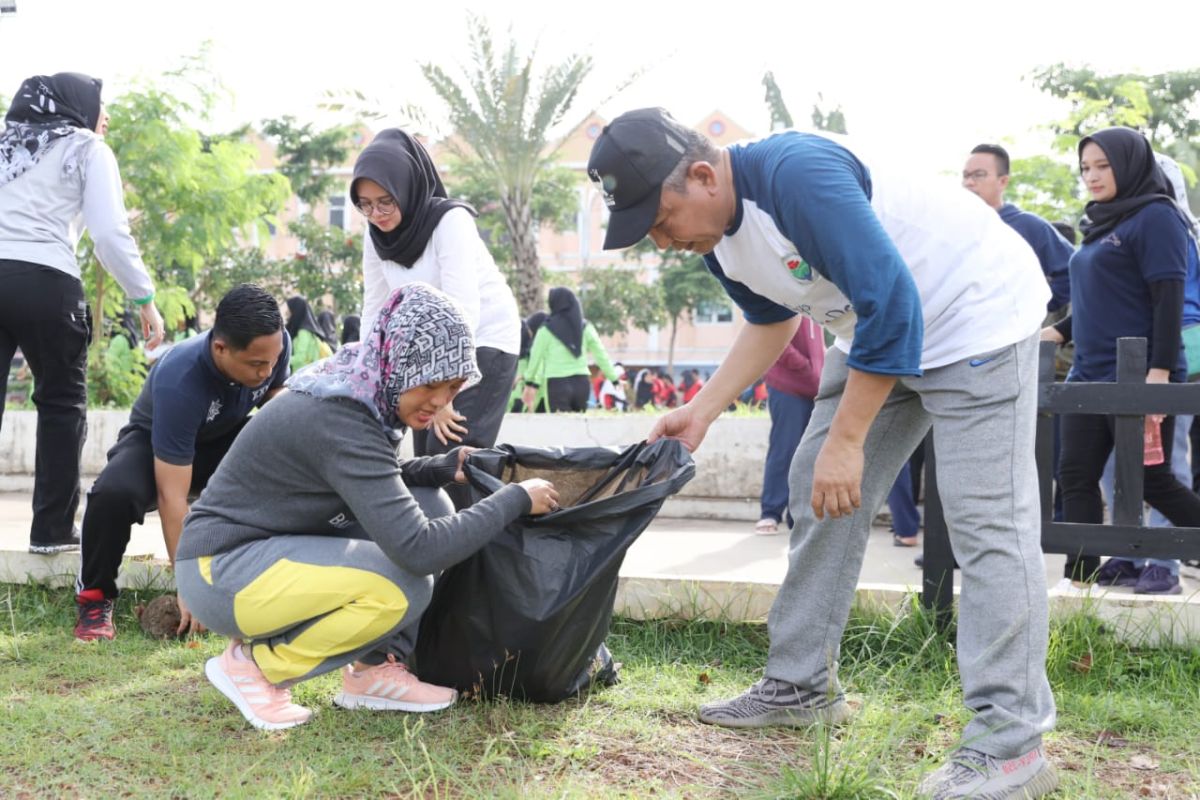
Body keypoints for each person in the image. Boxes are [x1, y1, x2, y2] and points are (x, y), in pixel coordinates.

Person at [588, 108, 1058, 799]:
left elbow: (894, 299)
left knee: (987, 525)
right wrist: (703, 410)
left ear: (700, 174)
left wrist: (849, 440)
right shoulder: (718, 238)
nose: (661, 242)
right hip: (882, 332)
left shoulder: (795, 175)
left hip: (974, 316)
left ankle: (1011, 744)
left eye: (659, 220)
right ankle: (801, 683)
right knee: (814, 478)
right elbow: (771, 322)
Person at [176, 284, 559, 731]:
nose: (439, 401)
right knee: (404, 584)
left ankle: (372, 671)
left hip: (268, 550)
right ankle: (255, 667)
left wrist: (438, 467)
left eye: (452, 385)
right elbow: (419, 550)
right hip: (220, 570)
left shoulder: (361, 389)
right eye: (429, 382)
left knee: (428, 502)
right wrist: (513, 499)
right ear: (398, 364)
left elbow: (368, 478)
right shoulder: (342, 417)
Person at [0, 72, 166, 555]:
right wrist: (144, 298)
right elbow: (109, 234)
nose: (106, 116)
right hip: (47, 281)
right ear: (77, 106)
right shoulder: (86, 147)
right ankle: (51, 533)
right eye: (101, 104)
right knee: (61, 405)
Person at [73, 284, 290, 642]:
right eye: (257, 364)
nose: (267, 370)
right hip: (154, 441)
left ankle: (261, 580)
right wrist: (187, 587)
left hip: (223, 437)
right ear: (220, 348)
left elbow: (275, 394)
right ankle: (95, 599)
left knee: (288, 455)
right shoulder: (181, 379)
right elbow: (171, 497)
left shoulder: (272, 345)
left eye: (273, 360)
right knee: (113, 495)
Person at [1044, 128, 1200, 596]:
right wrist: (1058, 330)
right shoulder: (1100, 223)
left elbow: (1167, 298)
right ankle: (1082, 580)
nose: (1091, 176)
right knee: (1074, 476)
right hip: (1086, 373)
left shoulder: (1156, 216)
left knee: (1150, 480)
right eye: (1085, 167)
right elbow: (1103, 295)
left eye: (1103, 166)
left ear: (1130, 164)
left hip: (1137, 373)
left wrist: (1157, 377)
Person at [354, 128, 520, 505]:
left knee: (458, 464)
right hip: (427, 358)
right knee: (427, 464)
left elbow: (464, 308)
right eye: (364, 204)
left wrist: (446, 394)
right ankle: (435, 559)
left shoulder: (450, 221)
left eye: (385, 202)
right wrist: (364, 377)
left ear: (407, 188)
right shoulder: (375, 234)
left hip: (483, 341)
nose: (375, 214)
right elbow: (375, 309)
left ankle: (469, 560)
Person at [963, 144, 1074, 313]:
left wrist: (1031, 310)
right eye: (966, 176)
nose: (969, 182)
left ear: (1003, 181)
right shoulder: (957, 228)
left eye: (979, 175)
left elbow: (1073, 273)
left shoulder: (1028, 226)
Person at [755, 318, 824, 535]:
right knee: (784, 449)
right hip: (787, 385)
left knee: (809, 454)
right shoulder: (786, 290)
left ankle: (798, 516)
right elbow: (775, 339)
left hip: (814, 386)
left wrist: (819, 372)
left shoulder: (818, 296)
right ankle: (770, 512)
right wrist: (803, 366)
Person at [522, 287, 621, 412]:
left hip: (556, 385)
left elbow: (535, 359)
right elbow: (601, 355)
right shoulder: (585, 327)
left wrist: (529, 384)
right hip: (582, 384)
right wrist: (614, 379)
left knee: (559, 428)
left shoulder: (545, 329)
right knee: (579, 429)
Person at [285, 295, 333, 372]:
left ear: (296, 310)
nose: (286, 312)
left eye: (289, 309)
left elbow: (300, 358)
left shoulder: (303, 332)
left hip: (302, 376)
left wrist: (280, 360)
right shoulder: (303, 330)